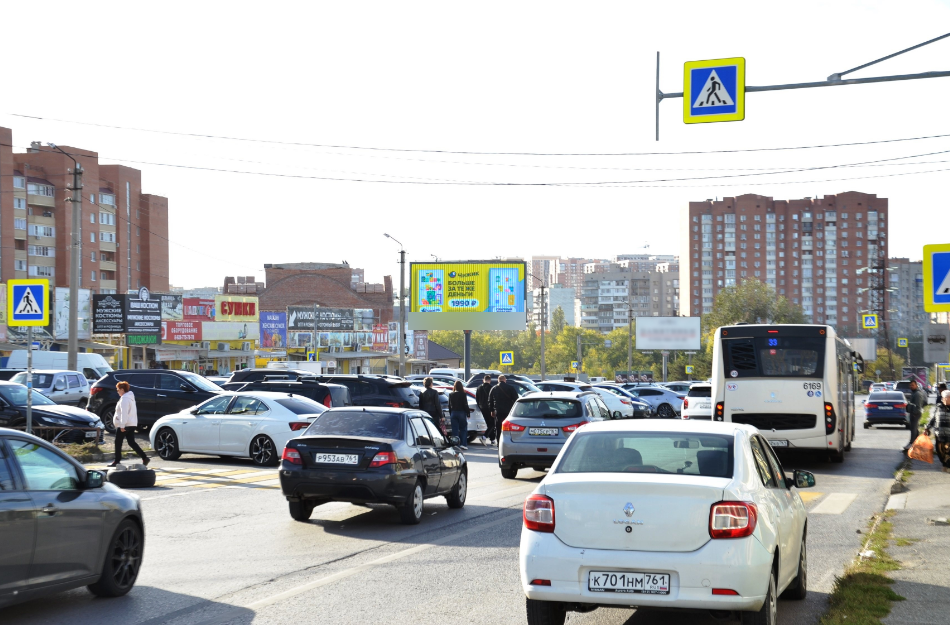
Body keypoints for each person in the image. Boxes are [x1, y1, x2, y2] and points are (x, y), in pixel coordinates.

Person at [109, 381, 149, 467]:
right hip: (131, 423)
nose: (117, 391)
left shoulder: (124, 399)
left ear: (122, 390)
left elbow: (124, 413)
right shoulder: (130, 397)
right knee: (131, 442)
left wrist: (122, 425)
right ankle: (144, 457)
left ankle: (117, 461)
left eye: (118, 390)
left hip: (125, 424)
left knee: (118, 442)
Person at [926, 390, 950, 467]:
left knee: (948, 450)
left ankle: (947, 464)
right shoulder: (938, 407)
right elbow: (933, 418)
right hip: (939, 434)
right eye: (944, 398)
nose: (944, 399)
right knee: (939, 451)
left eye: (946, 398)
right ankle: (944, 462)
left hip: (949, 435)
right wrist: (927, 427)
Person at [904, 378, 928, 454]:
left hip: (915, 414)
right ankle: (917, 444)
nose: (911, 386)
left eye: (913, 385)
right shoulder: (914, 393)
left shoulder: (917, 394)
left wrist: (914, 413)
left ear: (916, 385)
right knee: (914, 429)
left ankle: (912, 443)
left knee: (913, 429)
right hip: (913, 413)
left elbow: (918, 405)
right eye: (910, 385)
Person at [448, 380, 470, 450]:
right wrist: (468, 413)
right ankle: (463, 444)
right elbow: (465, 404)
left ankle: (456, 445)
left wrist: (451, 413)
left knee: (455, 429)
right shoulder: (463, 394)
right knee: (463, 428)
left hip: (453, 413)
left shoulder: (451, 394)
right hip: (461, 412)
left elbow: (449, 405)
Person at [475, 375, 494, 446]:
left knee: (489, 423)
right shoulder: (491, 388)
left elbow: (477, 398)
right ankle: (484, 436)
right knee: (492, 423)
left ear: (484, 380)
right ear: (490, 380)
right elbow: (492, 399)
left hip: (482, 408)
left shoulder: (479, 387)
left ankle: (492, 439)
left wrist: (480, 406)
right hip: (490, 408)